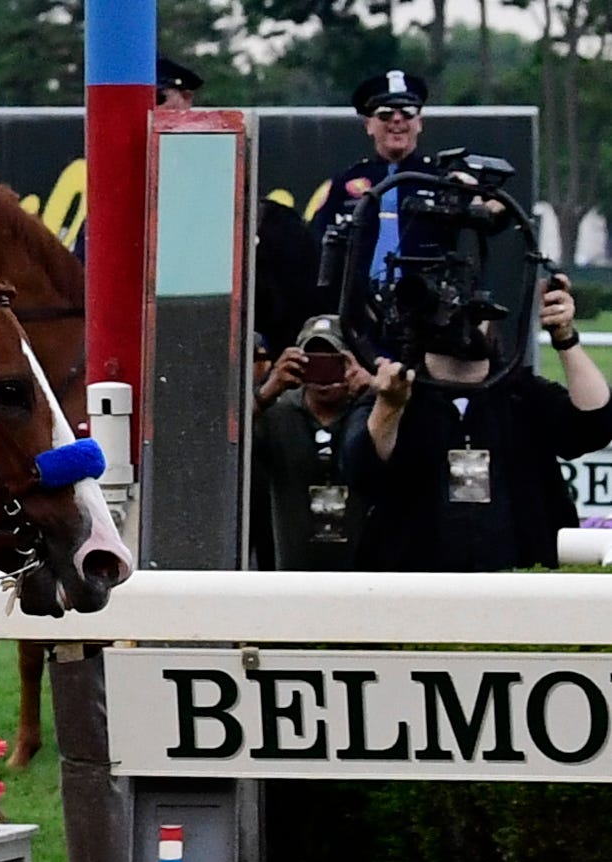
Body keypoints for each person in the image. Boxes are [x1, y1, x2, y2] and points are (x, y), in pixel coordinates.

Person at [342, 277, 612, 571]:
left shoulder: (520, 393)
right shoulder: (396, 396)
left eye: (475, 315)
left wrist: (565, 338)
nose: (464, 325)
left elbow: (594, 425)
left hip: (521, 584)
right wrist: (390, 406)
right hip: (417, 588)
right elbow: (361, 468)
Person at [252, 314, 374, 570]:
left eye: (334, 362)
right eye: (312, 363)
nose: (323, 376)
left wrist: (374, 392)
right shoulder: (278, 412)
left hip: (363, 575)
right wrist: (267, 391)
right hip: (293, 574)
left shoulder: (370, 413)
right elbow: (222, 444)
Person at [308, 70, 436, 291]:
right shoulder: (346, 182)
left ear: (419, 123)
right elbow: (315, 239)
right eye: (385, 114)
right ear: (369, 125)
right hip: (357, 305)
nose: (397, 120)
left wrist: (490, 205)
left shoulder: (439, 178)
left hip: (426, 304)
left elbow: (490, 220)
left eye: (407, 113)